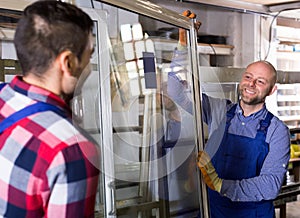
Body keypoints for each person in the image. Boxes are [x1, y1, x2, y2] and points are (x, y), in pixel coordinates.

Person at [169, 10, 290, 218]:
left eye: (260, 81)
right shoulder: (220, 111)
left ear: (271, 90)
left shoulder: (277, 131)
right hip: (214, 211)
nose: (251, 84)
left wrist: (220, 184)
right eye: (248, 77)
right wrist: (183, 46)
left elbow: (270, 185)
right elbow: (175, 91)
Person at [0, 1, 100, 217]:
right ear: (68, 63)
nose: (89, 68)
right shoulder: (72, 149)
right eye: (89, 56)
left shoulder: (3, 101)